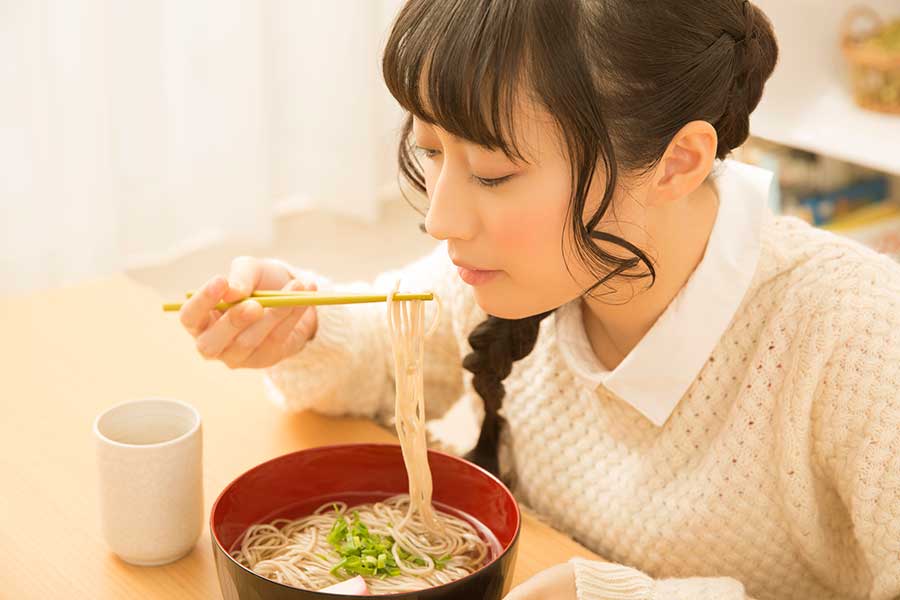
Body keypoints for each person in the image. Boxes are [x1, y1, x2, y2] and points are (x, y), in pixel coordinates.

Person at [178, 1, 900, 598]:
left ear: (678, 162)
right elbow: (385, 341)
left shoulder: (856, 337)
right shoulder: (520, 273)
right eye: (432, 152)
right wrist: (301, 325)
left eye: (491, 172)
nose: (441, 218)